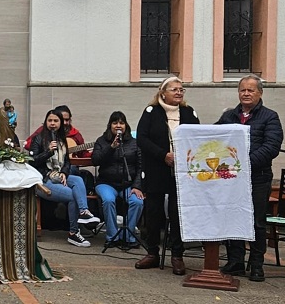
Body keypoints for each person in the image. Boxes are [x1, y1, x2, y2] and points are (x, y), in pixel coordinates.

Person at [216, 74, 283, 282]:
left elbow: (271, 147)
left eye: (250, 90)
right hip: (232, 179)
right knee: (233, 219)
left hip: (258, 178)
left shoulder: (270, 117)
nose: (245, 93)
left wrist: (243, 163)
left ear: (260, 93)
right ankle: (235, 262)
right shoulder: (229, 116)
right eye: (242, 90)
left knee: (256, 222)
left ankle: (256, 265)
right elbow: (214, 137)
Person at [135, 76, 200, 275]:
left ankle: (177, 255)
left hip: (181, 172)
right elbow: (142, 139)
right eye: (174, 89)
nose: (179, 92)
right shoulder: (151, 112)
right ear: (163, 92)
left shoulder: (189, 113)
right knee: (153, 212)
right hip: (156, 169)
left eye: (181, 89)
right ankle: (152, 252)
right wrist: (163, 155)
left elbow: (197, 137)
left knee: (177, 212)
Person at [28, 109, 99, 247]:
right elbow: (33, 161)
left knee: (78, 180)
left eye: (56, 121)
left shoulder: (62, 140)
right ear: (45, 122)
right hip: (43, 180)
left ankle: (84, 212)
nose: (53, 124)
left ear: (60, 123)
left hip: (58, 176)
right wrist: (48, 152)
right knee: (73, 196)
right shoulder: (38, 139)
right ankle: (73, 233)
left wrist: (64, 173)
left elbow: (67, 162)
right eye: (50, 121)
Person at [91, 111, 144, 248]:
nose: (118, 125)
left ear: (126, 125)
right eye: (115, 123)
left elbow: (140, 166)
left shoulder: (134, 143)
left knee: (137, 202)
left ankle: (129, 236)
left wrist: (137, 186)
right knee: (108, 200)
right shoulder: (101, 141)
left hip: (128, 184)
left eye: (121, 123)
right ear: (110, 125)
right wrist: (111, 148)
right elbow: (95, 160)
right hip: (106, 183)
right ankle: (112, 236)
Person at [25, 105, 91, 157]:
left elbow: (83, 154)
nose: (64, 123)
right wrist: (46, 148)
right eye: (62, 120)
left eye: (67, 120)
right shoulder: (43, 130)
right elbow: (28, 144)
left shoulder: (75, 134)